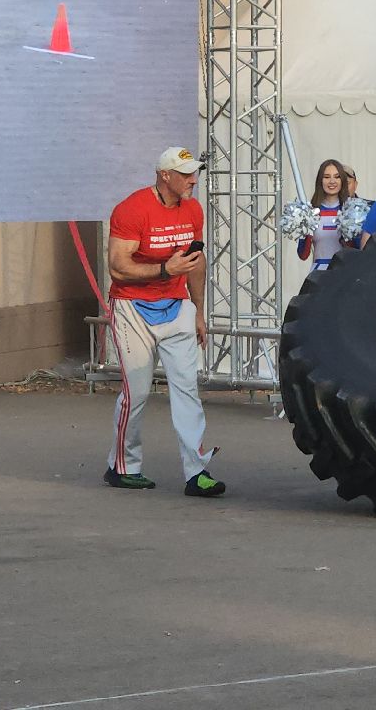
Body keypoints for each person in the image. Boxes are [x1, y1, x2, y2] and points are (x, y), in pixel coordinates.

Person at [103, 147, 225, 498]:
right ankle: (122, 467)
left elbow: (196, 262)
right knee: (136, 392)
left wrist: (199, 311)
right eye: (186, 173)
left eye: (195, 172)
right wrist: (163, 270)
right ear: (164, 176)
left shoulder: (193, 209)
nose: (193, 179)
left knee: (187, 388)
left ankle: (197, 472)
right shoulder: (132, 209)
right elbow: (117, 266)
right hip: (132, 308)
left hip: (177, 306)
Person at [296, 159, 353, 272]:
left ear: (342, 180)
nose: (332, 181)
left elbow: (357, 249)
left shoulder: (351, 210)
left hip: (345, 274)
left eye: (337, 177)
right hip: (319, 275)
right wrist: (307, 228)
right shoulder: (310, 212)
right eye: (326, 177)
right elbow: (303, 254)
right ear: (320, 181)